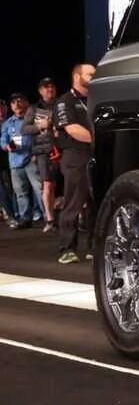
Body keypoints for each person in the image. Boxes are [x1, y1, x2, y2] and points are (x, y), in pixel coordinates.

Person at [55, 64, 96, 264]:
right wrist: (99, 139)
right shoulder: (65, 101)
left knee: (97, 204)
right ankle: (67, 249)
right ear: (77, 77)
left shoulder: (96, 98)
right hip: (75, 156)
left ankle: (95, 247)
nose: (94, 77)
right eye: (90, 74)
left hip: (96, 156)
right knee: (74, 203)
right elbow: (72, 129)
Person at [2, 93, 45, 229]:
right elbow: (3, 140)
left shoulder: (33, 119)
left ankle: (47, 216)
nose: (17, 104)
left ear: (26, 103)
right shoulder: (8, 123)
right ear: (11, 106)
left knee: (39, 189)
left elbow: (42, 136)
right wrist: (7, 146)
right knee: (20, 193)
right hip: (15, 162)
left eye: (20, 101)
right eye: (14, 102)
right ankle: (25, 217)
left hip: (32, 159)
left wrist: (37, 153)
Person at [23, 77, 59, 233]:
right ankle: (50, 219)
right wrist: (40, 125)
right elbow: (24, 129)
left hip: (64, 148)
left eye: (52, 86)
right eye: (46, 87)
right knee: (48, 185)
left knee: (70, 183)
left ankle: (77, 217)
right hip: (43, 151)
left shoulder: (61, 104)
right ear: (40, 91)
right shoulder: (34, 108)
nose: (49, 89)